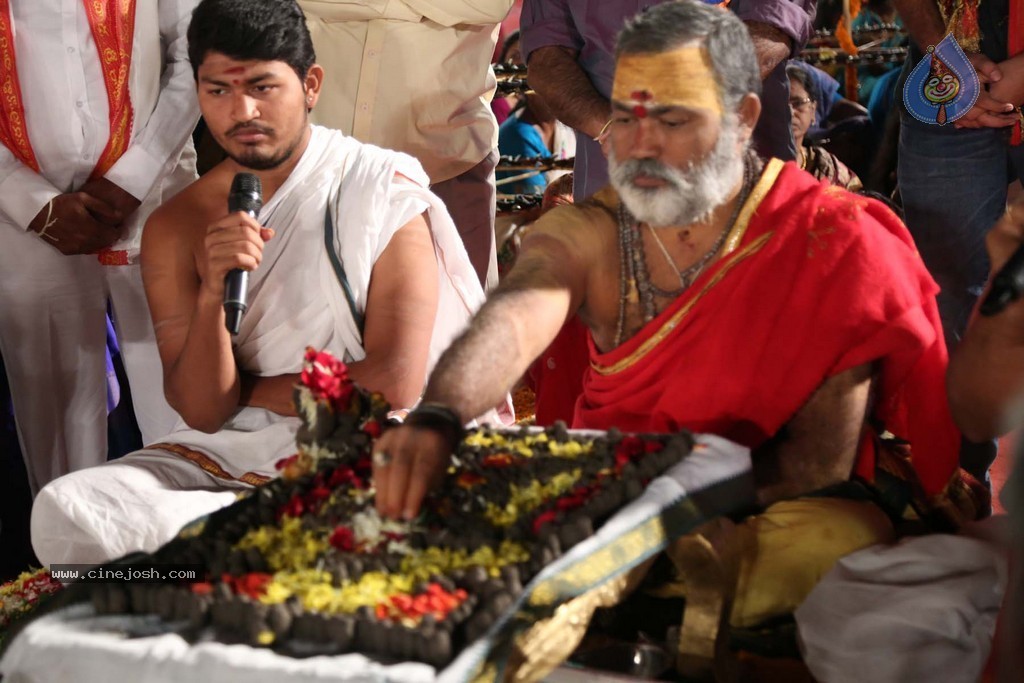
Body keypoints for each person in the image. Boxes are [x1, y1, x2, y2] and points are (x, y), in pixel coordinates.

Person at [371, 0, 976, 636]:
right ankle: (631, 590)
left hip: (766, 503)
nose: (643, 144)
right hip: (614, 496)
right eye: (626, 118)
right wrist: (440, 412)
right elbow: (519, 312)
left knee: (835, 538)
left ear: (743, 119)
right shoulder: (599, 225)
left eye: (673, 117)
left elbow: (813, 465)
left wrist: (655, 521)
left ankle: (618, 593)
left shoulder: (833, 237)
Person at [29, 0, 505, 567]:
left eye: (262, 86)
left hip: (361, 441)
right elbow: (204, 412)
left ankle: (220, 560)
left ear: (310, 84)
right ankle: (233, 553)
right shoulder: (176, 226)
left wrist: (248, 391)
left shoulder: (379, 187)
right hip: (225, 452)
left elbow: (391, 386)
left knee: (380, 501)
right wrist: (213, 291)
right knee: (73, 505)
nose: (242, 111)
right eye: (218, 92)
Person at [0, 1, 200, 494]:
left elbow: (198, 45)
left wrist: (136, 175)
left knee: (179, 394)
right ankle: (73, 564)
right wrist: (27, 200)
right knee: (55, 409)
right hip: (25, 216)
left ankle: (186, 559)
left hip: (153, 192)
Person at [296, 0, 515, 290]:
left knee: (458, 327)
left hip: (446, 161)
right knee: (310, 324)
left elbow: (487, 5)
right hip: (321, 163)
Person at [520, 0, 816, 202]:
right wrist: (613, 128)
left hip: (732, 176)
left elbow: (772, 26)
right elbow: (547, 58)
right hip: (614, 187)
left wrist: (683, 122)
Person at [787, 63, 864, 189]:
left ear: (813, 110)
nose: (790, 112)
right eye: (780, 103)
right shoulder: (754, 169)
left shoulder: (830, 169)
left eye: (798, 103)